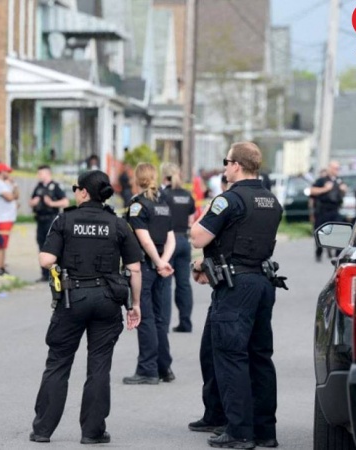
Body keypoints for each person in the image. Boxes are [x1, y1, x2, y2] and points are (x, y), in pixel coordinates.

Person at [29, 170, 143, 445]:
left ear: (82, 192)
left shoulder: (65, 219)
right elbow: (134, 268)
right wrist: (135, 304)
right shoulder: (117, 224)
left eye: (76, 188)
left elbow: (46, 259)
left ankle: (43, 430)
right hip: (107, 301)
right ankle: (92, 432)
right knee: (99, 366)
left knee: (58, 363)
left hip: (72, 299)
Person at [189, 142, 283, 449]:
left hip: (235, 287)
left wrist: (205, 211)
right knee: (260, 357)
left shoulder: (228, 200)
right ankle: (265, 432)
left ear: (237, 166)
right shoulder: (271, 200)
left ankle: (239, 431)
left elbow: (199, 235)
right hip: (261, 282)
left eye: (226, 161)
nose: (224, 167)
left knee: (231, 357)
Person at [122, 163, 176, 385]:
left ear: (137, 179)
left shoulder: (137, 205)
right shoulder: (163, 203)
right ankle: (164, 368)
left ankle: (147, 369)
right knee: (161, 319)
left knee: (145, 317)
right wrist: (164, 262)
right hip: (164, 265)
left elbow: (144, 239)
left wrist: (156, 262)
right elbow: (171, 237)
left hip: (146, 266)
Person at [161, 162, 197, 333]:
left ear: (164, 177)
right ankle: (186, 322)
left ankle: (164, 323)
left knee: (165, 284)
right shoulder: (187, 196)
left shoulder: (163, 195)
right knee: (184, 284)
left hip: (169, 241)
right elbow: (191, 221)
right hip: (184, 240)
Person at [29, 165, 69, 283]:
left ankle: (55, 273)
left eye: (41, 173)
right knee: (41, 246)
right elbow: (30, 202)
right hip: (40, 220)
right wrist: (33, 202)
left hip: (51, 219)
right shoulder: (38, 187)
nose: (39, 176)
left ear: (47, 173)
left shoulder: (55, 186)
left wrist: (52, 203)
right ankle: (44, 274)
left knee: (53, 246)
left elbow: (65, 202)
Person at [309, 160, 347, 262]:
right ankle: (319, 252)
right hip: (323, 210)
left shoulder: (339, 181)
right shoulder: (321, 180)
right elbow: (312, 191)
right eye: (335, 168)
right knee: (320, 232)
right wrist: (325, 189)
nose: (337, 170)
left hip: (335, 209)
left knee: (340, 231)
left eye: (338, 168)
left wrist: (343, 189)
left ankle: (338, 254)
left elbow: (343, 193)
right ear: (330, 169)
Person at [0, 162, 19, 279]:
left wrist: (14, 185)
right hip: (1, 218)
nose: (8, 174)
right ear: (1, 171)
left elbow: (16, 196)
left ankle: (1, 266)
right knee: (0, 245)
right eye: (6, 171)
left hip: (7, 218)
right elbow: (10, 197)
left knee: (3, 244)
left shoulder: (4, 184)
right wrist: (13, 191)